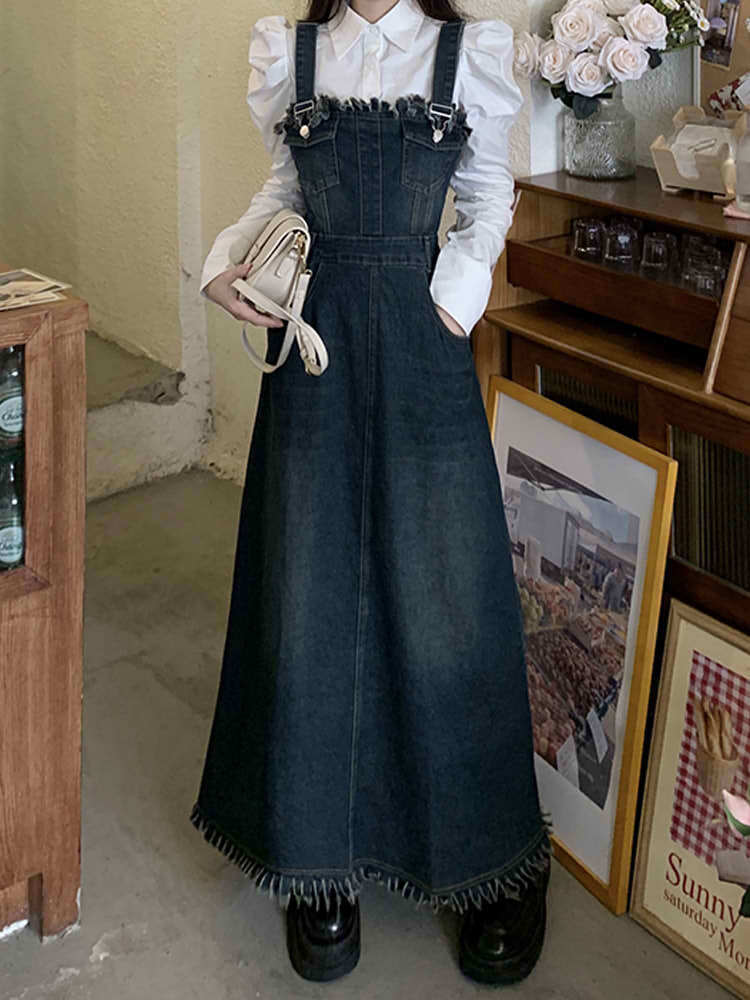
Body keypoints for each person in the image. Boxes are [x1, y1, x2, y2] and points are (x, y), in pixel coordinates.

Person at [190, 0, 552, 987]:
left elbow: (488, 197)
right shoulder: (295, 51)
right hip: (317, 349)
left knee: (448, 593)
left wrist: (452, 300)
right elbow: (285, 188)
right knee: (309, 592)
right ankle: (318, 854)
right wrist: (225, 262)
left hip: (424, 349)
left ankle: (492, 858)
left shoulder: (464, 52)